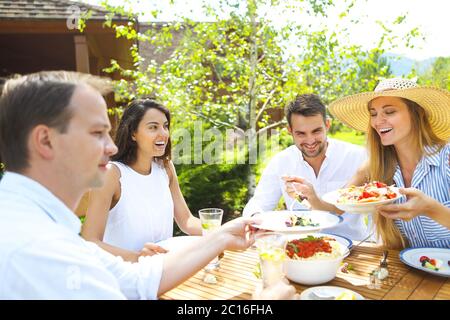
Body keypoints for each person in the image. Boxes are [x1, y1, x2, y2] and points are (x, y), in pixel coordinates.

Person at [0, 71, 298, 299]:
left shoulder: (45, 229)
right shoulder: (31, 249)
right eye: (96, 133)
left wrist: (222, 236)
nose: (110, 147)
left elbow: (137, 282)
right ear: (45, 140)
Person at [318, 77, 449, 249]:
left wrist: (431, 208)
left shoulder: (446, 158)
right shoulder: (375, 166)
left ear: (418, 113)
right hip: (412, 272)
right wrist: (311, 197)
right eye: (373, 114)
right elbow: (337, 206)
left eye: (389, 112)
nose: (378, 121)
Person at [81, 99, 201, 262]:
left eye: (165, 126)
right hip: (123, 276)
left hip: (161, 271)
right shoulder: (111, 174)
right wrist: (138, 257)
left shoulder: (165, 167)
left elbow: (186, 221)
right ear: (133, 133)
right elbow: (90, 242)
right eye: (153, 127)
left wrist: (222, 233)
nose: (163, 133)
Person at [243, 94, 369, 240]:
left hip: (353, 247)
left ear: (327, 125)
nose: (310, 141)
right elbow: (259, 203)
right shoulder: (282, 161)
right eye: (301, 133)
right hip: (299, 250)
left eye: (316, 131)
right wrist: (256, 219)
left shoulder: (357, 157)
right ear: (290, 130)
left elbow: (377, 212)